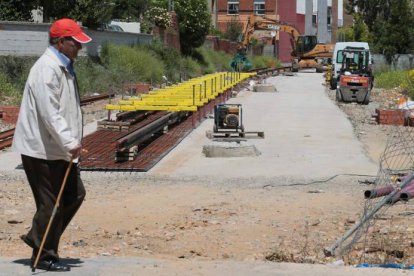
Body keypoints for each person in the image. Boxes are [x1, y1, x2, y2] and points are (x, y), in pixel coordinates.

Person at [12, 18, 92, 272]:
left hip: (57, 148)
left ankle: (39, 238)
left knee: (74, 195)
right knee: (52, 203)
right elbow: (50, 113)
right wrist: (70, 141)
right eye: (75, 43)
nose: (79, 48)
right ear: (61, 42)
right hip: (41, 150)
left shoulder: (62, 66)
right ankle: (44, 254)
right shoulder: (47, 69)